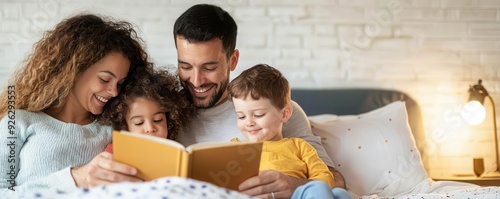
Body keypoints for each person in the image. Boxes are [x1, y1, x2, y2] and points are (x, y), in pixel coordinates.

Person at [173, 3, 346, 198]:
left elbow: (336, 180)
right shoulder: (161, 115)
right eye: (185, 66)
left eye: (209, 68)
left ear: (233, 60)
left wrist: (297, 185)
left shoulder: (278, 109)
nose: (196, 80)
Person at [0, 13, 153, 197]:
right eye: (105, 79)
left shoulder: (114, 131)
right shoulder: (18, 122)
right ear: (73, 70)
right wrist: (74, 179)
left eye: (120, 83)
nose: (114, 92)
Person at [228, 64, 351, 199]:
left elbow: (325, 177)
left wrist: (311, 187)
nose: (248, 123)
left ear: (285, 114)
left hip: (296, 195)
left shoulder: (299, 146)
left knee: (340, 193)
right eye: (241, 116)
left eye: (258, 115)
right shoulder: (234, 148)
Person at [99, 69, 196, 153]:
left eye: (158, 120)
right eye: (139, 123)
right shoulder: (115, 152)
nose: (150, 128)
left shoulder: (175, 150)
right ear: (124, 127)